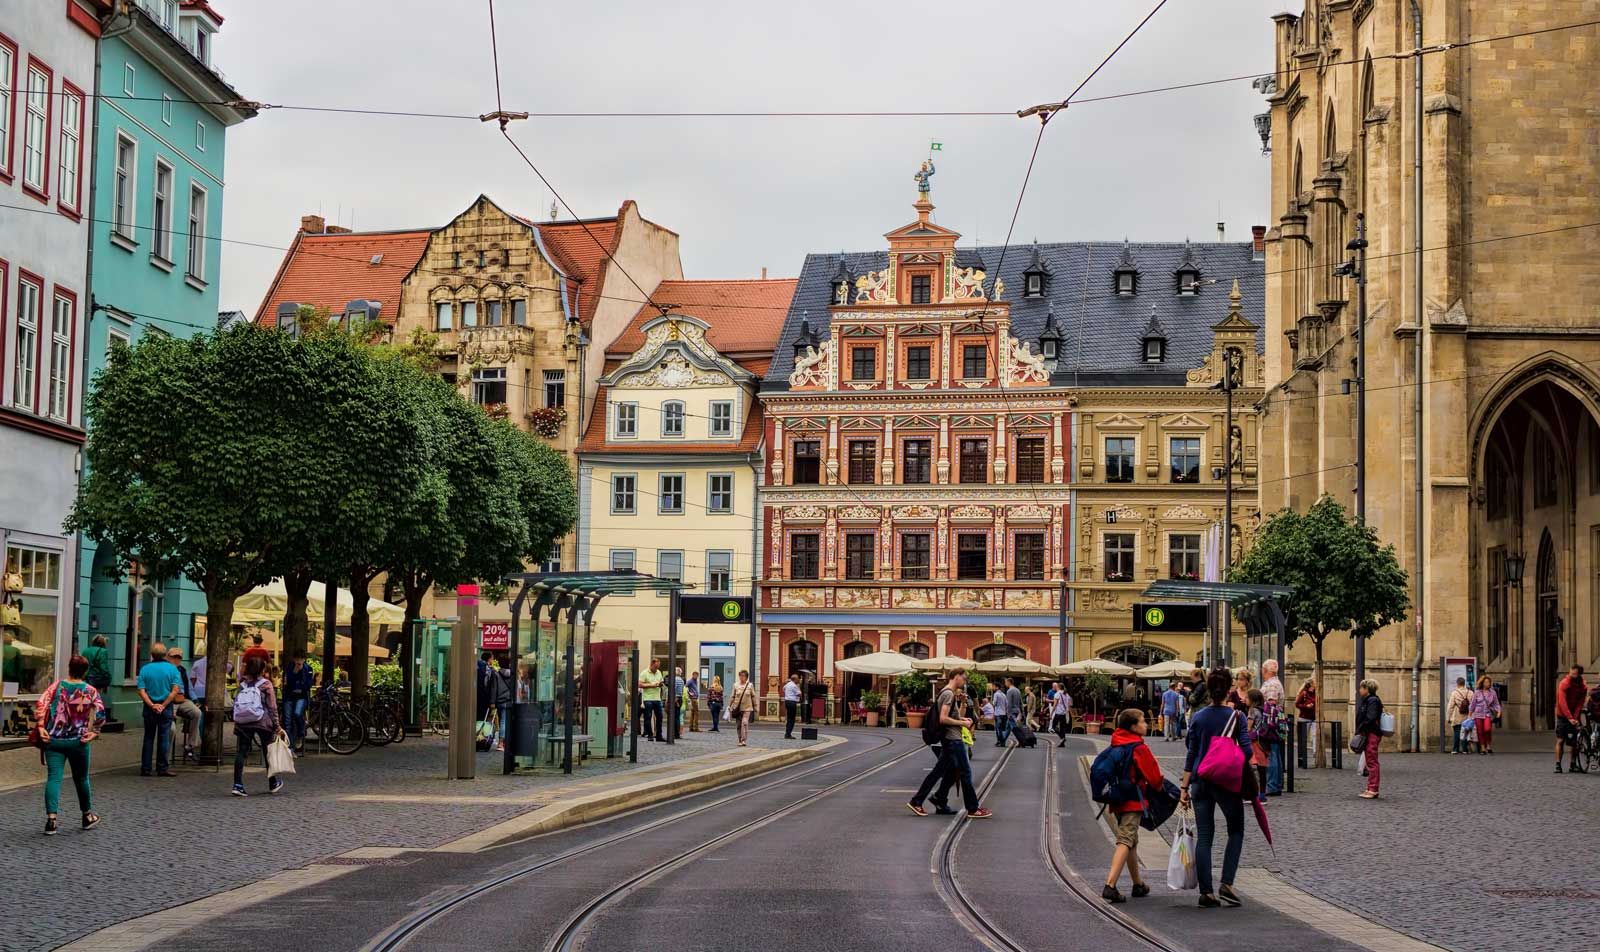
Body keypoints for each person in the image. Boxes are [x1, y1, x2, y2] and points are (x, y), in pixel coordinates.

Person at [1179, 667, 1251, 909]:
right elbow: (1247, 750)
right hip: (1226, 782)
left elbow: (1191, 753)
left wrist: (1183, 787)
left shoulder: (1198, 717)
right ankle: (1227, 884)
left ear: (1208, 690)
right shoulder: (1237, 717)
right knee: (1236, 830)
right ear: (1229, 689)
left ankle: (1206, 892)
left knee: (1205, 836)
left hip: (1200, 780)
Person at [907, 668, 993, 819]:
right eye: (964, 678)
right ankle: (973, 808)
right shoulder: (948, 694)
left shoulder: (949, 694)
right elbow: (943, 718)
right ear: (956, 677)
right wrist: (963, 723)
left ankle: (929, 799)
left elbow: (953, 715)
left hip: (950, 739)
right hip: (953, 739)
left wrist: (963, 713)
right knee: (965, 772)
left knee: (941, 772)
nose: (965, 681)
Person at [36, 654, 105, 835]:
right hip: (78, 742)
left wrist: (41, 726)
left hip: (54, 740)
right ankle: (87, 816)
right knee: (81, 778)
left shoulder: (57, 686)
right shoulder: (91, 691)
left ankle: (51, 820)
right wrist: (94, 732)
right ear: (85, 671)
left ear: (69, 668)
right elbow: (100, 713)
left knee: (53, 778)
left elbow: (41, 703)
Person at [1102, 708, 1164, 904]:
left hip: (1116, 798)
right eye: (1143, 721)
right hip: (1133, 800)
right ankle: (1110, 885)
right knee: (1126, 840)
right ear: (1133, 726)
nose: (1146, 724)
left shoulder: (1116, 741)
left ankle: (1138, 884)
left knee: (1132, 841)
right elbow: (1154, 778)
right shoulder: (1139, 748)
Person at [231, 654, 284, 797]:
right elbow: (272, 707)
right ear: (262, 670)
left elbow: (237, 703)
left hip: (243, 722)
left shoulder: (242, 684)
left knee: (241, 752)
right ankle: (273, 782)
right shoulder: (266, 684)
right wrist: (277, 725)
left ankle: (237, 784)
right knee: (267, 751)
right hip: (262, 721)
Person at [136, 643, 183, 778]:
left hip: (149, 707)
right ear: (165, 654)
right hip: (165, 707)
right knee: (164, 738)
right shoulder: (172, 669)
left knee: (148, 737)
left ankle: (146, 768)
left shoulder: (145, 669)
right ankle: (162, 768)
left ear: (152, 654)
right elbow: (175, 690)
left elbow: (141, 691)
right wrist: (163, 704)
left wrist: (151, 704)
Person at [167, 647, 202, 764]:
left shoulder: (182, 670)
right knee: (171, 727)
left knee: (196, 713)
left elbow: (189, 687)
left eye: (178, 658)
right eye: (173, 657)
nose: (176, 660)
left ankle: (190, 746)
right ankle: (165, 756)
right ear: (168, 657)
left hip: (182, 699)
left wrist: (195, 699)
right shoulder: (165, 669)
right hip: (169, 701)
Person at [1354, 679, 1384, 799]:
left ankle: (1373, 788)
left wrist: (1361, 727)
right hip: (1369, 732)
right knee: (1369, 760)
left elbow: (1370, 718)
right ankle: (1370, 787)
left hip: (1371, 733)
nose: (1359, 690)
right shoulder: (1369, 700)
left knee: (1372, 761)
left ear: (1367, 689)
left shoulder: (1372, 700)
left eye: (1361, 688)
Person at [1555, 665, 1587, 774]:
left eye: (1574, 674)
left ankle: (1573, 765)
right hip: (1562, 716)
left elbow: (1580, 703)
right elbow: (1562, 702)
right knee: (1560, 740)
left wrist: (1575, 717)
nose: (1571, 675)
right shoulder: (1564, 683)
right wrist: (1569, 717)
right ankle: (1558, 765)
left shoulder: (1583, 686)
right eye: (1571, 673)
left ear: (1579, 675)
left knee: (1575, 742)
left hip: (1574, 716)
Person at [282, 652, 314, 753]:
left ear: (304, 659)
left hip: (301, 697)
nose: (298, 661)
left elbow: (308, 685)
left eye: (301, 659)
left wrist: (301, 676)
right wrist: (295, 672)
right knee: (288, 721)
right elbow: (287, 683)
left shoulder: (308, 669)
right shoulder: (289, 668)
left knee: (297, 713)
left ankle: (301, 734)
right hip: (289, 697)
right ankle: (290, 747)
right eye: (296, 659)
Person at [1244, 687, 1270, 794]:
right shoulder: (1262, 709)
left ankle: (1250, 794)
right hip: (1263, 741)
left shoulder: (1252, 710)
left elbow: (1248, 728)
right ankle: (1262, 794)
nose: (1245, 699)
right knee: (1262, 769)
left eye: (1247, 697)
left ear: (1252, 699)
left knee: (1248, 768)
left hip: (1253, 742)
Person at [82, 635, 113, 721]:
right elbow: (103, 667)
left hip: (86, 678)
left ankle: (85, 717)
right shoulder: (103, 651)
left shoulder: (86, 650)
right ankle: (94, 719)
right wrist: (108, 677)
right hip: (96, 678)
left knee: (87, 698)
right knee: (95, 699)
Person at [1469, 675, 1501, 755]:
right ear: (1482, 683)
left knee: (1487, 729)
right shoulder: (1477, 692)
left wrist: (1499, 711)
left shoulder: (1492, 692)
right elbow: (1473, 703)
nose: (1488, 684)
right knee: (1480, 731)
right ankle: (1483, 747)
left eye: (1489, 682)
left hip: (1487, 713)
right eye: (1486, 682)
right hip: (1478, 713)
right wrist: (1470, 713)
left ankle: (1488, 745)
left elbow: (1496, 703)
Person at [491, 657, 514, 751]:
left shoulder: (496, 673)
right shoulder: (513, 674)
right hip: (509, 700)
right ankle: (503, 742)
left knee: (502, 721)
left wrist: (492, 702)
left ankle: (501, 743)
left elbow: (494, 688)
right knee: (506, 721)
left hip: (500, 700)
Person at [727, 670, 756, 746]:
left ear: (746, 677)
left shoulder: (750, 685)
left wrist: (755, 706)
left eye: (743, 676)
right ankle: (739, 739)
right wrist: (729, 706)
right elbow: (732, 696)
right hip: (737, 708)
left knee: (744, 723)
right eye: (740, 676)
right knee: (739, 725)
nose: (741, 677)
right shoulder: (735, 685)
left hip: (747, 708)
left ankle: (744, 740)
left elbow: (753, 696)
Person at [639, 659, 665, 742]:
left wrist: (660, 684)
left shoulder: (659, 672)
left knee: (660, 717)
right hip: (648, 698)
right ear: (652, 665)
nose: (657, 668)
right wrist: (651, 685)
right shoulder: (644, 673)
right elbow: (639, 684)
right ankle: (650, 735)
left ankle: (659, 736)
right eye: (655, 667)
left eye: (658, 667)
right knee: (648, 717)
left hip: (657, 698)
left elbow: (661, 682)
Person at [1446, 676, 1472, 755]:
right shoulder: (1470, 692)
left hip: (1457, 715)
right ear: (1464, 683)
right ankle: (1464, 749)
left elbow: (1450, 706)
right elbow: (1473, 705)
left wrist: (1448, 717)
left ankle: (1455, 749)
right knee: (1465, 732)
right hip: (1467, 716)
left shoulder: (1454, 693)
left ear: (1457, 684)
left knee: (1457, 733)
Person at [1294, 677, 1317, 760]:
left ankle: (1315, 752)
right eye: (1314, 682)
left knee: (1315, 735)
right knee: (1304, 736)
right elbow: (1297, 704)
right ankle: (1302, 754)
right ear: (1311, 684)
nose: (1316, 684)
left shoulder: (1316, 693)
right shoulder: (1304, 693)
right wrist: (1306, 706)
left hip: (1315, 718)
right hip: (1304, 717)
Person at [475, 651, 495, 726]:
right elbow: (486, 683)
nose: (492, 660)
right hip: (484, 696)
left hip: (476, 695)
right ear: (489, 659)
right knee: (483, 717)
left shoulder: (476, 666)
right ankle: (480, 733)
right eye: (492, 658)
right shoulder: (488, 669)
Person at [783, 673, 802, 739]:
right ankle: (788, 734)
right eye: (798, 678)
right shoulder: (794, 686)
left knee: (789, 718)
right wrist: (799, 687)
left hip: (787, 701)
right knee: (792, 719)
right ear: (795, 679)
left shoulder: (787, 684)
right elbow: (799, 694)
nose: (799, 679)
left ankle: (787, 733)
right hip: (792, 702)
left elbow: (784, 689)